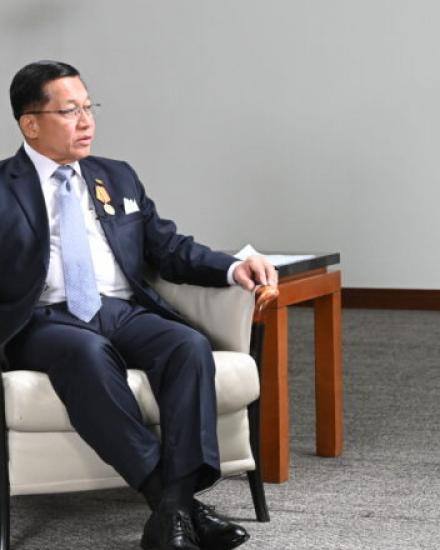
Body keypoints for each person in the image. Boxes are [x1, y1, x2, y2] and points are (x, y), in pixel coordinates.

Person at [0, 61, 279, 550]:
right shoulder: (4, 186)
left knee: (187, 345)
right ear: (31, 124)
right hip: (43, 318)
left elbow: (168, 247)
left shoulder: (117, 176)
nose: (86, 121)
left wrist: (233, 268)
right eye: (69, 111)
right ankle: (176, 505)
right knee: (86, 355)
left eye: (89, 107)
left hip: (120, 309)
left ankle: (173, 508)